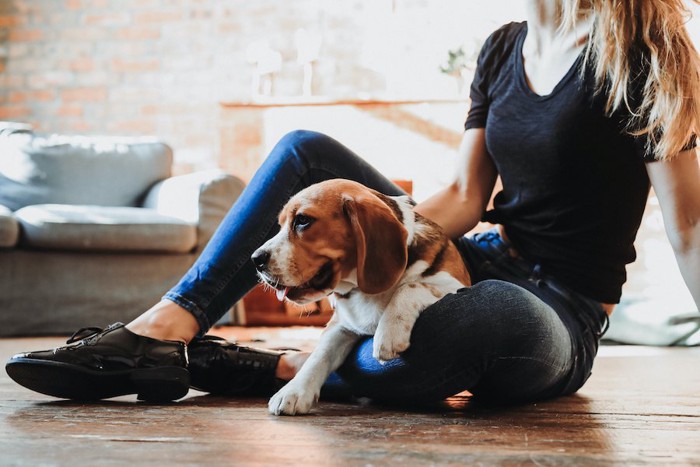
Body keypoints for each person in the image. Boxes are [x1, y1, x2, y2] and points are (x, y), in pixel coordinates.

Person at [7, 0, 700, 405]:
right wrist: (394, 240)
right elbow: (463, 197)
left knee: (483, 317)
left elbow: (691, 225)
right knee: (304, 150)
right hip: (474, 255)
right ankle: (162, 331)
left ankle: (268, 367)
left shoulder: (639, 53)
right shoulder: (501, 49)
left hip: (558, 311)